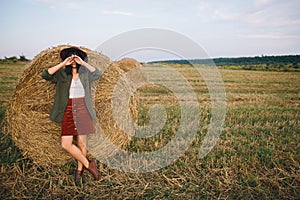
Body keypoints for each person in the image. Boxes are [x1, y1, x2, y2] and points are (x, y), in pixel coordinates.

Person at [41, 46, 101, 181]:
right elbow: (45, 75)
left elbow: (98, 74)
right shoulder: (62, 74)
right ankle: (89, 164)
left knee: (81, 142)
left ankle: (79, 171)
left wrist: (83, 62)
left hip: (82, 108)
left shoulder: (85, 74)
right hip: (67, 109)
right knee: (66, 144)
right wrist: (63, 64)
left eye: (76, 56)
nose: (73, 59)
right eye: (71, 56)